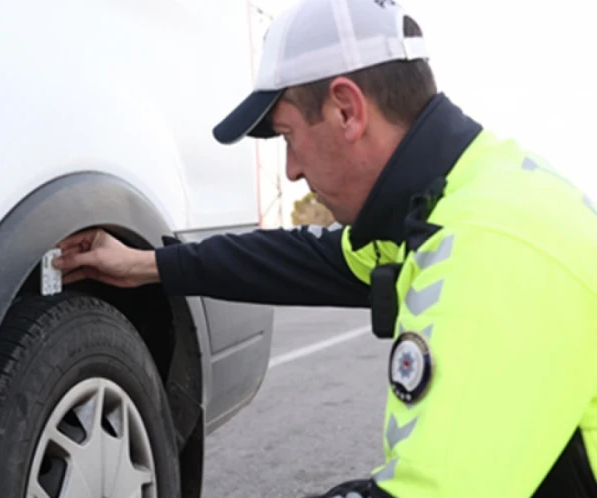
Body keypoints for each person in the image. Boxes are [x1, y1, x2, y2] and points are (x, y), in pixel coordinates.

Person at [53, 0, 597, 495]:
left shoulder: (493, 252)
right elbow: (306, 259)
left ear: (346, 110)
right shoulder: (453, 197)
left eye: (288, 135)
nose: (290, 170)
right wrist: (149, 266)